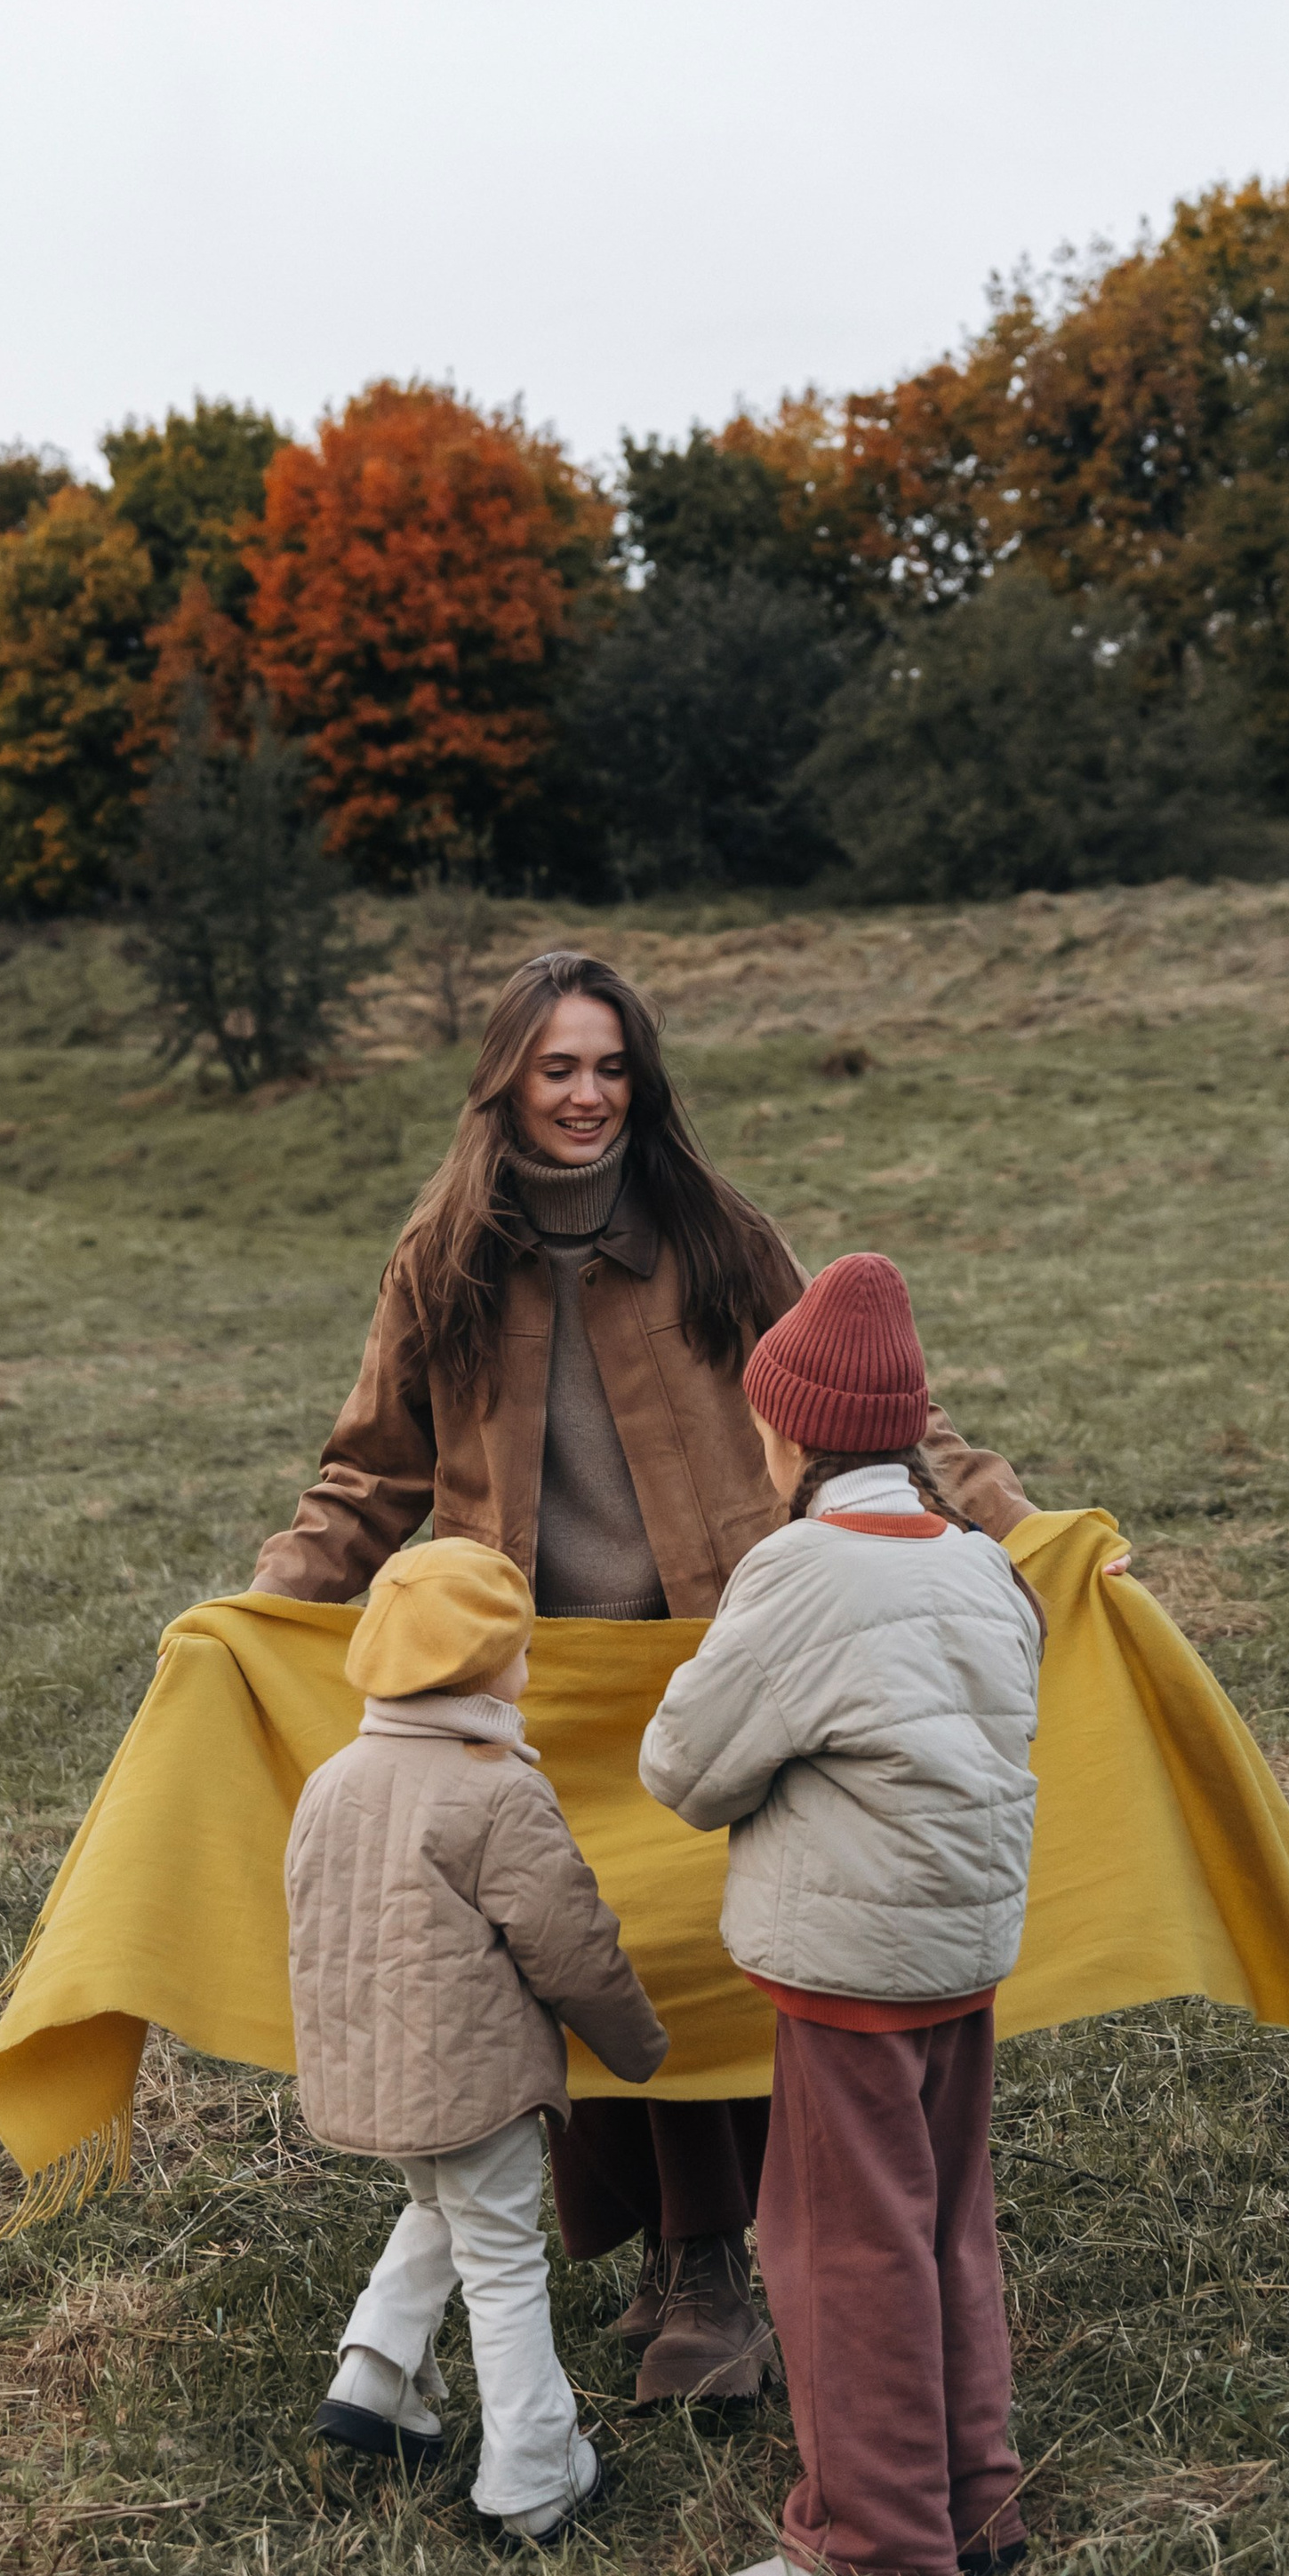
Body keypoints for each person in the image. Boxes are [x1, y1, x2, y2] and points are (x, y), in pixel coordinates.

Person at [253, 946, 1036, 2405]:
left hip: (708, 1655)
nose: (588, 1095)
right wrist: (259, 1610)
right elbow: (367, 1476)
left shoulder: (715, 1232)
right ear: (506, 1081)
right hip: (532, 1683)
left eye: (612, 1067)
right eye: (559, 1067)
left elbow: (875, 1413)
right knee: (560, 1953)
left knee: (701, 1960)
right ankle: (655, 2255)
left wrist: (1023, 1531)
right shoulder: (440, 1261)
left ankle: (709, 2269)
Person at [639, 1252, 1042, 2576]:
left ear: (790, 1428)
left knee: (839, 2249)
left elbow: (683, 1770)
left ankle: (874, 2542)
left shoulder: (799, 1572)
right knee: (946, 2229)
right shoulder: (984, 1566)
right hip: (964, 1955)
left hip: (846, 1975)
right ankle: (975, 2503)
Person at [286, 1537, 668, 2540]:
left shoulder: (332, 1779)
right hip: (473, 2076)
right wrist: (637, 2046)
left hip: (371, 2071)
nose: (529, 1665)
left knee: (442, 2203)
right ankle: (534, 2474)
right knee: (501, 2256)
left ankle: (373, 2372)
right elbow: (570, 1940)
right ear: (482, 1667)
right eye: (521, 1649)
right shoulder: (496, 1790)